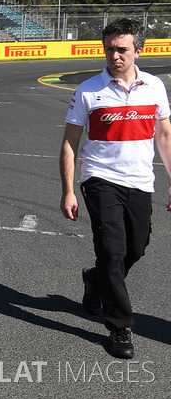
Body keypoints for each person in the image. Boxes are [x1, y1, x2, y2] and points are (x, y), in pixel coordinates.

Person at [60, 18, 171, 359]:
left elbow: (165, 136)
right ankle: (120, 325)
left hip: (139, 181)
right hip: (99, 178)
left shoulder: (154, 88)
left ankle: (96, 280)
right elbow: (69, 143)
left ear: (140, 50)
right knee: (112, 249)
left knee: (136, 247)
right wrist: (68, 190)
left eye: (122, 49)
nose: (114, 55)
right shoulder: (89, 90)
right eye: (109, 48)